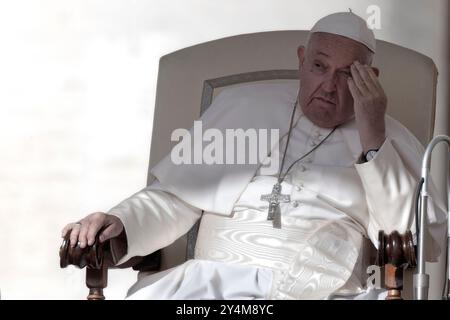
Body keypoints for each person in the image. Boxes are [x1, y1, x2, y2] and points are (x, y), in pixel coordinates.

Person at [61, 12, 446, 299]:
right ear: (301, 59)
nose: (329, 86)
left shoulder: (388, 136)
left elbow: (413, 238)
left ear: (371, 76)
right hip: (211, 288)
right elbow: (175, 199)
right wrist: (120, 221)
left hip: (322, 292)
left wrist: (373, 139)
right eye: (318, 66)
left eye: (348, 74)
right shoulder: (243, 107)